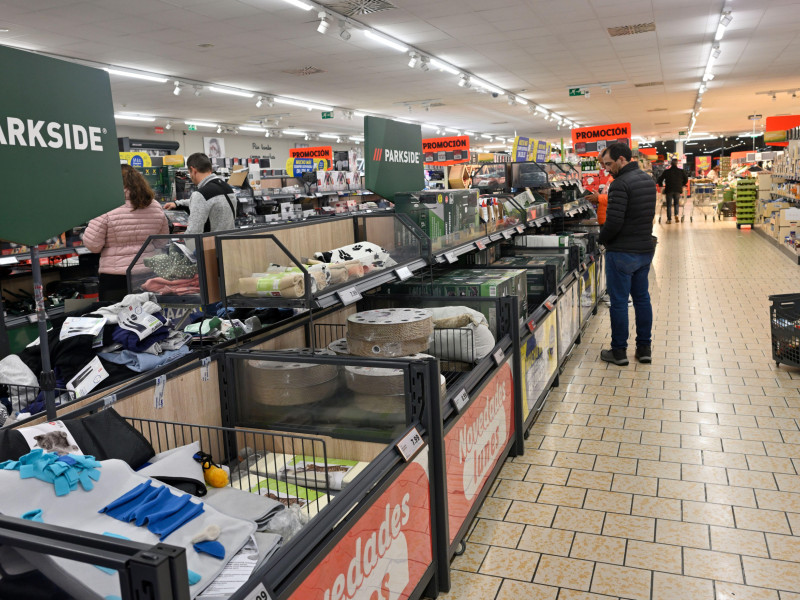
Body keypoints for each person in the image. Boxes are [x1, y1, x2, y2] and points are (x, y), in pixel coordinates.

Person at [598, 142, 657, 366]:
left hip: (622, 252)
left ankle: (619, 351)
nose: (607, 169)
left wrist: (601, 238)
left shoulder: (620, 184)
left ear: (623, 159)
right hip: (644, 249)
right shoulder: (647, 181)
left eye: (610, 164)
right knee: (642, 299)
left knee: (620, 302)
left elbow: (613, 222)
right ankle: (644, 348)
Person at [83, 165, 169, 302]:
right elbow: (162, 241)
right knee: (148, 315)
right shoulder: (154, 205)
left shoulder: (106, 205)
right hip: (148, 273)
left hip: (116, 276)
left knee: (115, 317)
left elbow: (93, 245)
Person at [163, 153, 236, 234]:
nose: (190, 177)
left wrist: (182, 236)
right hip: (229, 242)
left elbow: (194, 232)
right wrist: (177, 204)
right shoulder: (227, 188)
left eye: (189, 173)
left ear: (193, 170)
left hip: (212, 245)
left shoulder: (200, 194)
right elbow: (207, 201)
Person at [656, 159, 688, 224]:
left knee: (669, 205)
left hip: (669, 189)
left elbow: (660, 179)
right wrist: (682, 184)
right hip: (678, 189)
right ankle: (676, 215)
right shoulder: (681, 171)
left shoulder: (666, 171)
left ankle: (669, 219)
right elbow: (686, 179)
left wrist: (661, 185)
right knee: (676, 203)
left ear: (671, 164)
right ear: (677, 164)